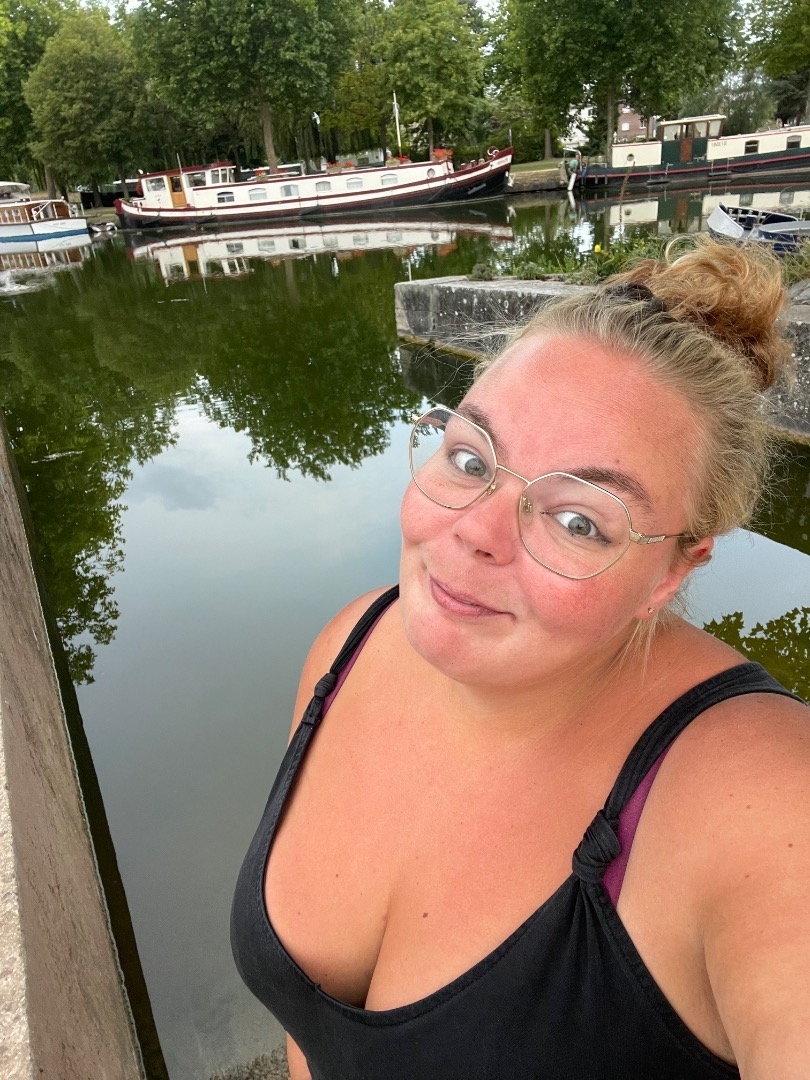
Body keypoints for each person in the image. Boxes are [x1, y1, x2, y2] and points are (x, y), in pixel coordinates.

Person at [231, 237, 809, 1080]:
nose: (474, 532)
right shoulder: (352, 644)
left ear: (672, 573)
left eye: (579, 521)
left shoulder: (763, 798)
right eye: (470, 459)